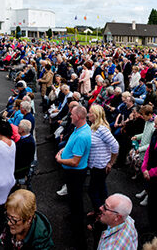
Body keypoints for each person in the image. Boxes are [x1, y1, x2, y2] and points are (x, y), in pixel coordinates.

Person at [55, 105, 92, 249]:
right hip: (73, 172)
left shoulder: (83, 135)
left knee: (76, 200)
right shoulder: (79, 128)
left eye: (71, 115)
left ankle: (79, 237)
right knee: (73, 198)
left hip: (75, 173)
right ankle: (74, 217)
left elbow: (75, 162)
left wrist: (60, 160)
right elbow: (72, 146)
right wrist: (65, 149)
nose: (70, 116)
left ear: (78, 117)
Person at [87, 104, 119, 211]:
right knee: (101, 189)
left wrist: (111, 163)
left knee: (92, 191)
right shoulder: (93, 127)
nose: (88, 114)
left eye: (90, 112)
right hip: (95, 165)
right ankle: (102, 211)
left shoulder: (102, 129)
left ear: (96, 115)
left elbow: (115, 146)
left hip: (100, 166)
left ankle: (100, 214)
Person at [14, 119, 36, 185]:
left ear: (22, 130)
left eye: (19, 127)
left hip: (21, 169)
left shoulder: (27, 142)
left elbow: (18, 155)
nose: (17, 127)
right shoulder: (27, 138)